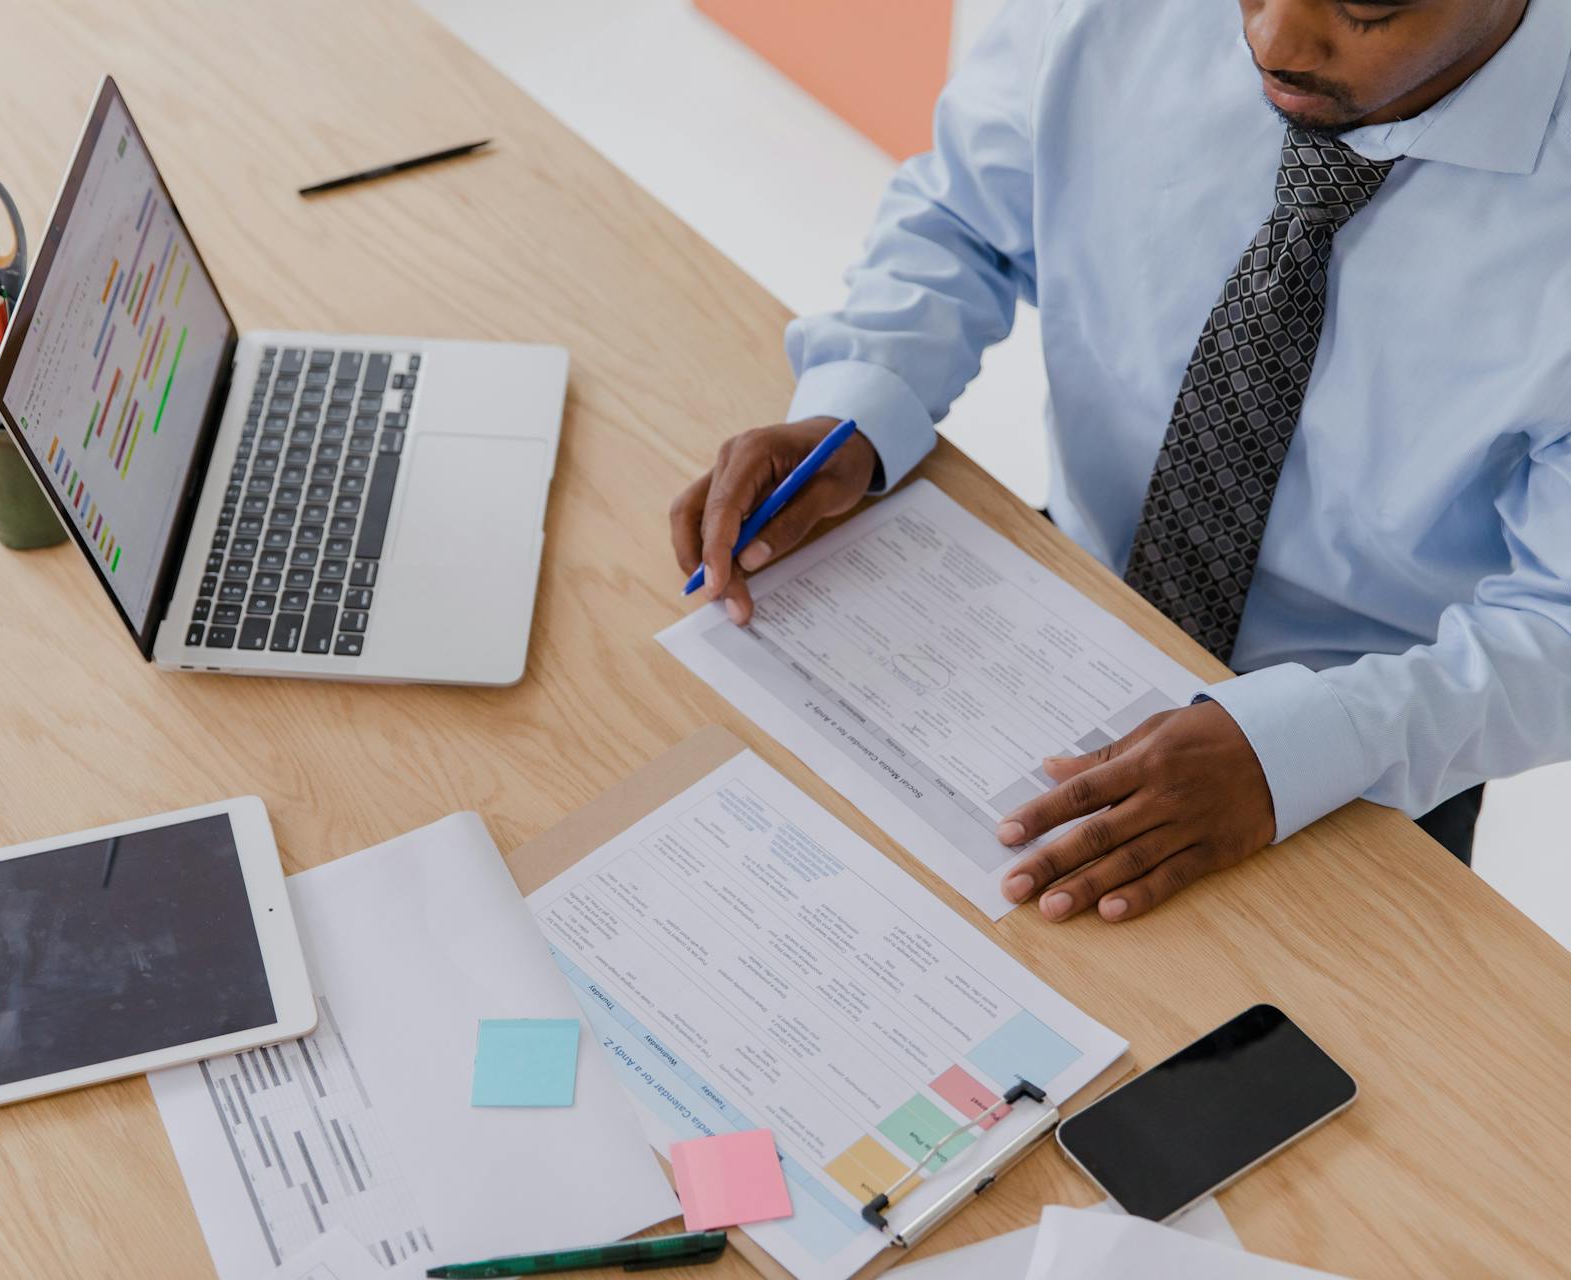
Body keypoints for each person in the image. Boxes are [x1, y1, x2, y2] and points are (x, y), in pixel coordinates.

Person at [668, 0, 1571, 922]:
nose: (1274, 42)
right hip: (1066, 610)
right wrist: (859, 405)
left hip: (1376, 737)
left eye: (1363, 7)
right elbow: (965, 217)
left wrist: (1299, 750)